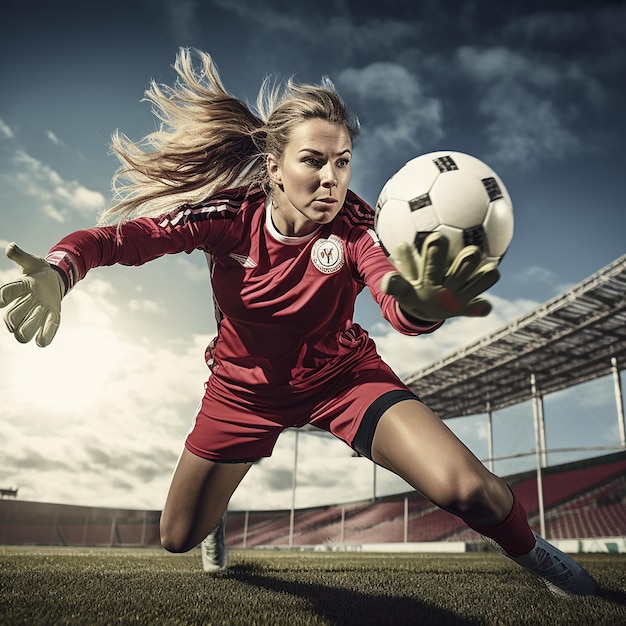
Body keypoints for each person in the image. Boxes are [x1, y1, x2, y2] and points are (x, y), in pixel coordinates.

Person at [0, 48, 597, 597]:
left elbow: (393, 295)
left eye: (343, 162)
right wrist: (60, 269)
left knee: (466, 489)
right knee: (177, 537)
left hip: (343, 379)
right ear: (274, 165)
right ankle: (217, 515)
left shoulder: (359, 225)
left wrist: (421, 305)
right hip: (241, 391)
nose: (332, 178)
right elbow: (124, 238)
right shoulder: (230, 218)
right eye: (313, 161)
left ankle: (540, 558)